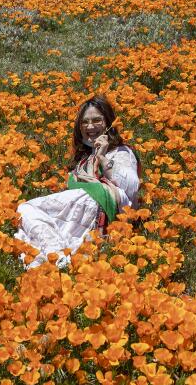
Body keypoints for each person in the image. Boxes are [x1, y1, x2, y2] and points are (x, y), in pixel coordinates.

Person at [14, 95, 142, 269]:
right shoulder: (84, 160)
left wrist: (103, 157)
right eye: (85, 122)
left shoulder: (120, 152)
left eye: (97, 120)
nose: (90, 126)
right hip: (86, 209)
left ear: (109, 124)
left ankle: (57, 255)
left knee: (25, 209)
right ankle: (57, 260)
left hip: (100, 202)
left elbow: (131, 187)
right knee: (27, 227)